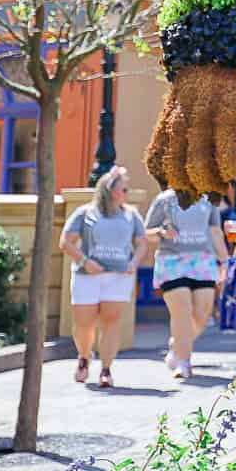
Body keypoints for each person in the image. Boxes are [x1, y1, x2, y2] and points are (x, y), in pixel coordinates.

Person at [61, 165, 148, 389]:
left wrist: (134, 263)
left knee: (111, 322)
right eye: (124, 189)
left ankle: (106, 370)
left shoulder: (131, 215)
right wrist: (84, 262)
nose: (126, 194)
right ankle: (83, 357)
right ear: (110, 191)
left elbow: (141, 243)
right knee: (83, 323)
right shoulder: (85, 213)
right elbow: (66, 242)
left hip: (118, 277)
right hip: (87, 276)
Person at [144, 184, 229, 380]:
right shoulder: (165, 199)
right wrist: (161, 232)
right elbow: (146, 231)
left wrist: (225, 261)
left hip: (203, 260)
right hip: (172, 260)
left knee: (202, 314)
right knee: (182, 311)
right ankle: (184, 362)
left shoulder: (209, 199)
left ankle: (178, 345)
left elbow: (215, 232)